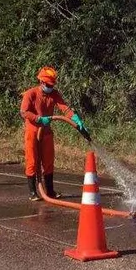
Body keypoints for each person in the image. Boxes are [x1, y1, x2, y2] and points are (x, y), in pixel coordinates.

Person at [20, 66, 87, 201]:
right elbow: (24, 112)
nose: (51, 87)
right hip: (32, 132)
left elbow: (64, 108)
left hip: (46, 132)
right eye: (49, 85)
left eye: (52, 84)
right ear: (42, 82)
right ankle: (33, 192)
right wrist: (38, 118)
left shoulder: (54, 94)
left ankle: (50, 191)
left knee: (49, 161)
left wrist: (75, 118)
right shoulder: (31, 94)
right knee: (32, 161)